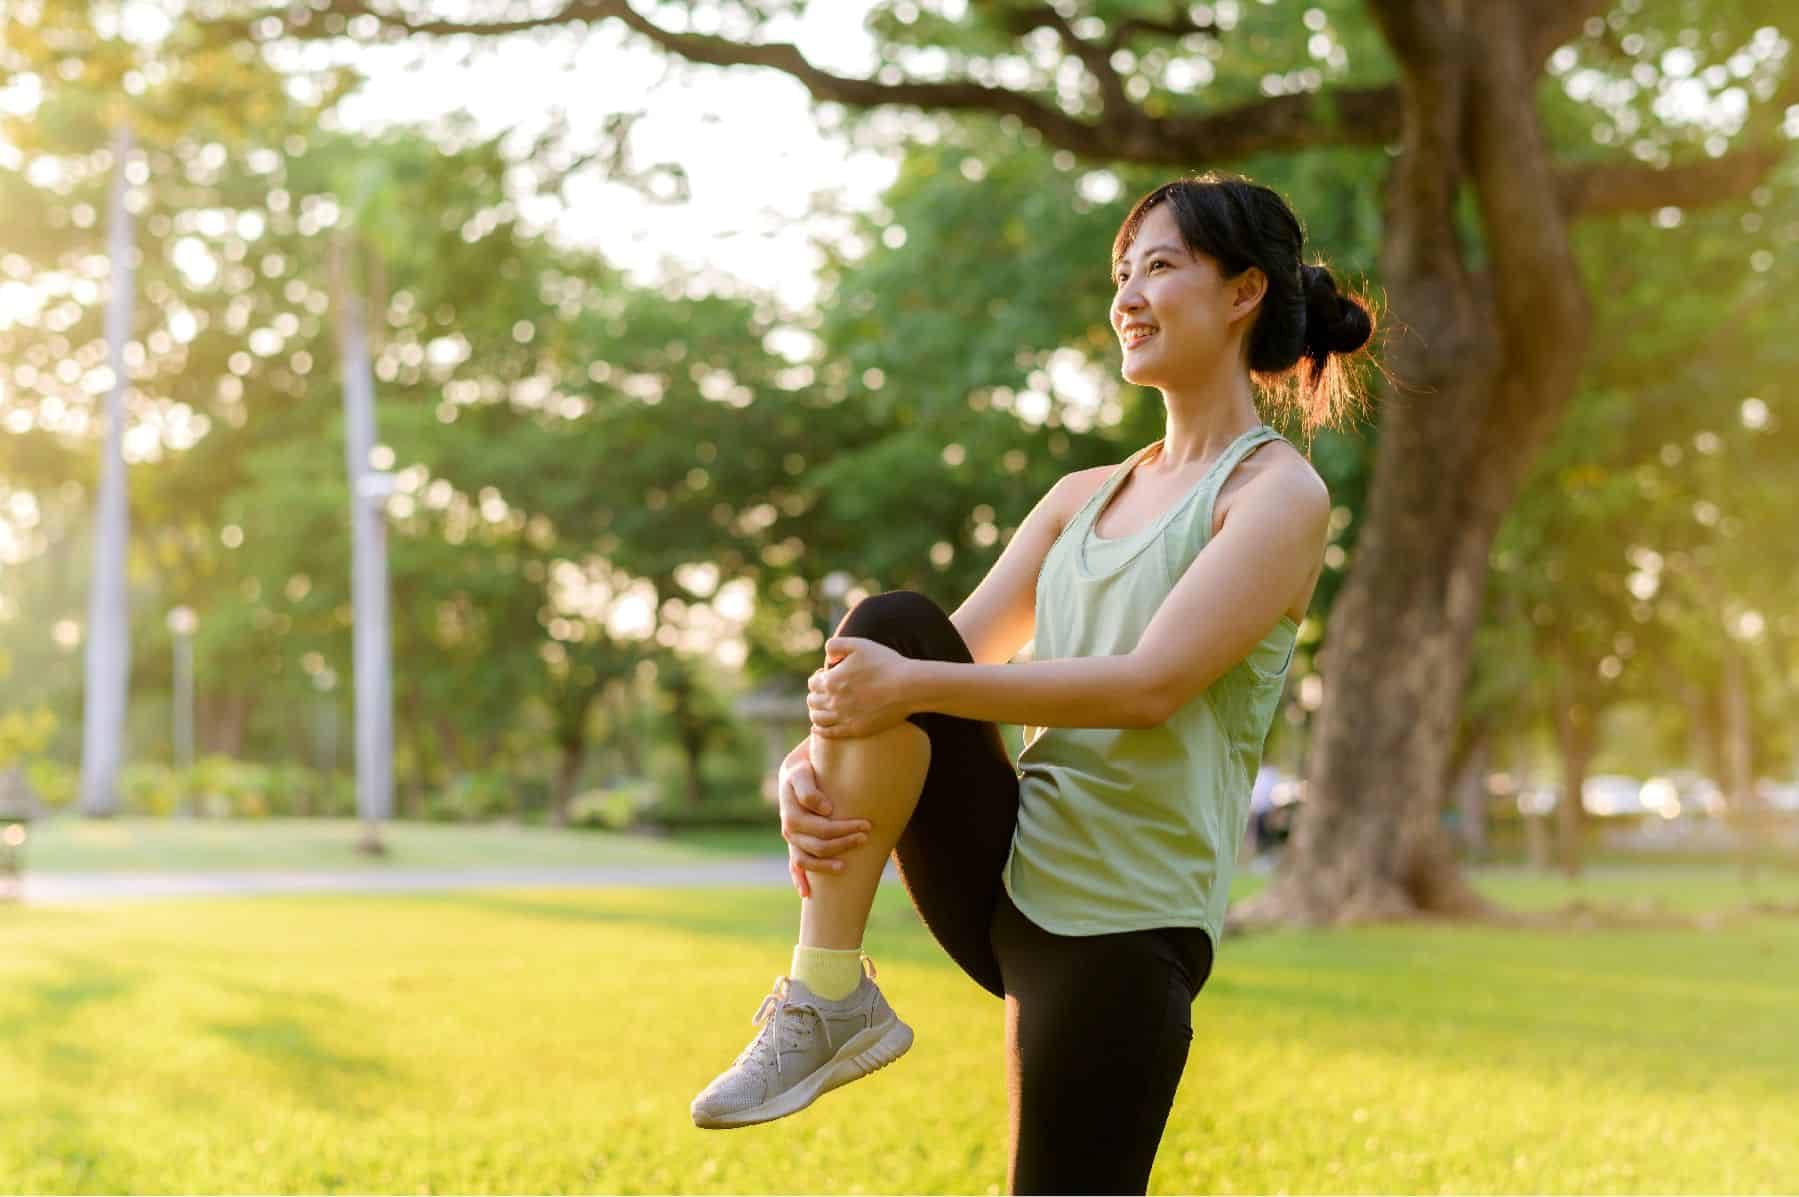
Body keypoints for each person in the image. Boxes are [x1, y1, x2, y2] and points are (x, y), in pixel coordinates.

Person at [690, 172, 1376, 1194]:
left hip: (1123, 924)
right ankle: (826, 992)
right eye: (1119, 274)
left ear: (1240, 293)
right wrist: (812, 759)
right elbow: (932, 667)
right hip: (1008, 866)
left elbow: (1149, 686)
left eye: (1158, 266)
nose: (1126, 298)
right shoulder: (1075, 500)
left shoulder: (1274, 494)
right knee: (886, 626)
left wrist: (896, 687)